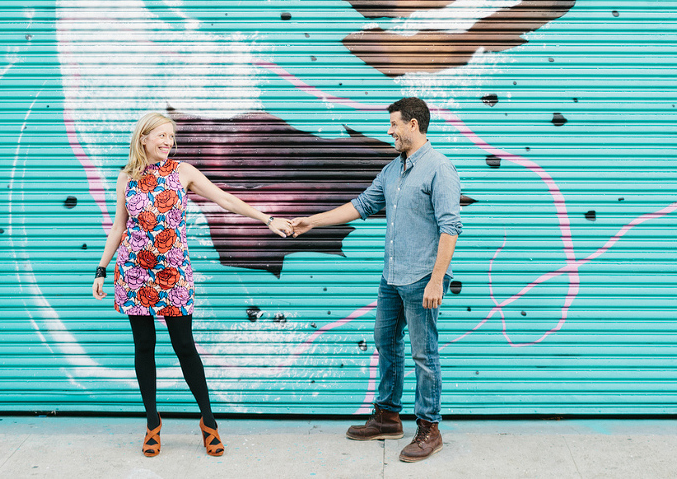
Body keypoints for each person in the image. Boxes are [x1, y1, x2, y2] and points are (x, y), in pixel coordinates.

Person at [92, 111, 294, 457]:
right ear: (144, 138)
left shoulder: (182, 171)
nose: (168, 142)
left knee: (184, 346)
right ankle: (152, 423)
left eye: (171, 136)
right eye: (161, 135)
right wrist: (100, 268)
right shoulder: (127, 177)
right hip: (134, 273)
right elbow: (118, 227)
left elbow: (225, 199)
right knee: (144, 347)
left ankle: (208, 421)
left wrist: (266, 218)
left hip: (174, 273)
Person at [291, 96, 462, 463]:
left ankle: (430, 428)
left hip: (422, 277)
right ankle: (387, 416)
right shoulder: (391, 170)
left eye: (394, 124)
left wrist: (436, 281)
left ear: (413, 124)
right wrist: (311, 222)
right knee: (385, 342)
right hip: (392, 276)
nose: (390, 131)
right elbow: (361, 205)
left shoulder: (439, 168)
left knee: (424, 354)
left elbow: (450, 228)